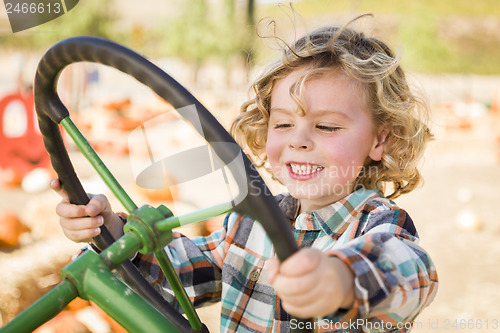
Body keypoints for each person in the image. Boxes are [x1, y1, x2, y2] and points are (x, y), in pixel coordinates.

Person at [52, 15, 438, 333]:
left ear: (379, 139)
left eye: (327, 127)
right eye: (283, 124)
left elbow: (412, 274)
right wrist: (110, 232)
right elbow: (179, 273)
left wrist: (338, 281)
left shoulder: (378, 224)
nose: (298, 141)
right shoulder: (251, 221)